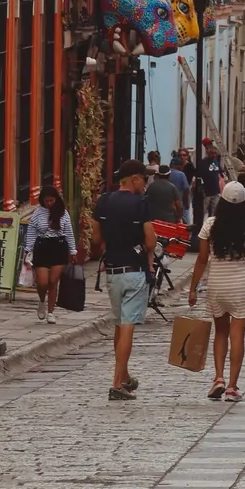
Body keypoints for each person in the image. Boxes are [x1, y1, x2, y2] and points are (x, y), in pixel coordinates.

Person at [189, 181, 245, 402]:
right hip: (243, 283)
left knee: (220, 332)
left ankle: (218, 377)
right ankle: (232, 386)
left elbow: (201, 259)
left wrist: (193, 288)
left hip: (218, 281)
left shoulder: (210, 224)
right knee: (238, 334)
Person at [90, 158, 157, 402]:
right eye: (145, 179)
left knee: (119, 324)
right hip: (135, 270)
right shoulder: (141, 204)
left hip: (112, 271)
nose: (146, 184)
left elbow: (96, 239)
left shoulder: (104, 201)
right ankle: (117, 383)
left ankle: (125, 376)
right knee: (128, 325)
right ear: (135, 179)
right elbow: (150, 242)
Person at [24, 183, 77, 324]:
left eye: (51, 200)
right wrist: (28, 249)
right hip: (42, 246)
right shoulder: (37, 213)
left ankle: (51, 311)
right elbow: (31, 231)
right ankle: (42, 300)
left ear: (56, 199)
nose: (49, 204)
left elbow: (69, 232)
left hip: (58, 246)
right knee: (42, 282)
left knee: (53, 281)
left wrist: (73, 250)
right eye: (46, 201)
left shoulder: (63, 213)